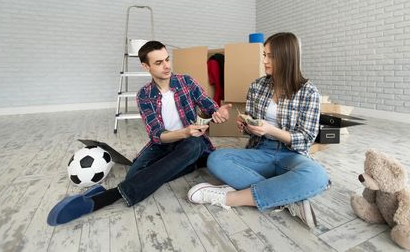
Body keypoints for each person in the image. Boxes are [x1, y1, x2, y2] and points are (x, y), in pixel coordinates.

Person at [47, 40, 231, 226]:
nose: (166, 66)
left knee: (193, 145)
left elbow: (209, 106)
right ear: (146, 66)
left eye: (167, 59)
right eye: (158, 63)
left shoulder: (187, 82)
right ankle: (191, 164)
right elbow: (157, 135)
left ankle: (108, 197)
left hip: (191, 142)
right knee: (133, 176)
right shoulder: (144, 95)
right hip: (164, 143)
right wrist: (183, 132)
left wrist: (218, 112)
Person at [187, 32, 330, 228]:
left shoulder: (309, 92)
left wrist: (272, 129)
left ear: (287, 57)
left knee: (317, 176)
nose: (264, 60)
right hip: (260, 150)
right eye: (264, 54)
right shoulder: (257, 86)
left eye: (270, 56)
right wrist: (247, 127)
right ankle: (287, 195)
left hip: (291, 154)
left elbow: (306, 140)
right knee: (216, 159)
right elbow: (253, 128)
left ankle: (230, 198)